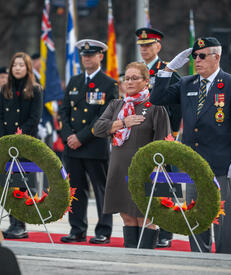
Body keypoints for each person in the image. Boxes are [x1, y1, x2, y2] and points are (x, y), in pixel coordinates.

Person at [150, 37, 231, 254]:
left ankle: (224, 257)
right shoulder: (187, 83)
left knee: (221, 215)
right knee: (195, 213)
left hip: (222, 161)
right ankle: (199, 256)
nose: (196, 60)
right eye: (194, 56)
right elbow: (157, 98)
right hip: (193, 161)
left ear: (216, 57)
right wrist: (168, 69)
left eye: (202, 56)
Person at [93, 62, 171, 249]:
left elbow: (164, 142)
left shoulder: (155, 107)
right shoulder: (117, 105)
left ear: (146, 82)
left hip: (145, 171)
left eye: (134, 78)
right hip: (119, 167)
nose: (128, 82)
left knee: (145, 216)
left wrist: (153, 170)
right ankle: (130, 258)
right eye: (126, 78)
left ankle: (145, 259)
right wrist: (122, 123)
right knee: (127, 216)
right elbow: (97, 129)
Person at [59, 39, 118, 244]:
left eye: (91, 55)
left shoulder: (109, 84)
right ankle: (77, 228)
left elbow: (104, 117)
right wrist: (68, 137)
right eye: (84, 55)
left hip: (94, 145)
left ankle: (103, 230)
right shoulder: (74, 82)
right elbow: (64, 112)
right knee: (75, 189)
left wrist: (80, 137)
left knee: (101, 189)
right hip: (72, 146)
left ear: (100, 56)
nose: (86, 58)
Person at [135, 27, 182, 248]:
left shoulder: (168, 71)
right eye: (141, 46)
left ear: (158, 46)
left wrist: (172, 133)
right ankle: (148, 227)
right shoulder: (135, 71)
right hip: (140, 134)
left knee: (163, 183)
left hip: (162, 134)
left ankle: (166, 231)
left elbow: (178, 105)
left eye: (148, 45)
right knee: (144, 183)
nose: (144, 49)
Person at [0, 52, 43, 239]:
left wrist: (18, 136)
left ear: (27, 68)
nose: (17, 68)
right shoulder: (4, 90)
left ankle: (21, 225)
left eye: (21, 65)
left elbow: (34, 118)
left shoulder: (35, 89)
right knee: (8, 186)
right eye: (14, 65)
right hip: (6, 144)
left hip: (24, 145)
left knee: (22, 186)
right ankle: (12, 223)